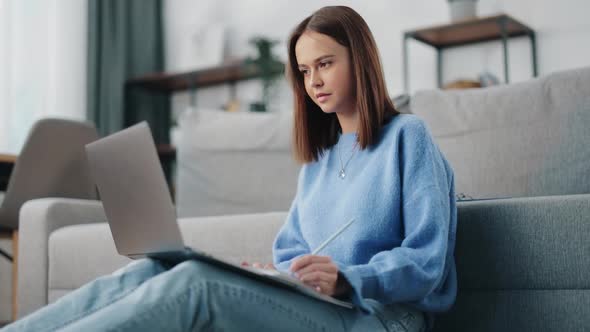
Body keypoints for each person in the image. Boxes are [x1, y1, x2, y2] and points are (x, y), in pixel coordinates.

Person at [3, 6, 456, 332]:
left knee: (195, 284)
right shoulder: (318, 160)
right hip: (317, 307)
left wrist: (349, 278)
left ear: (359, 61)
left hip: (377, 317)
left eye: (324, 64)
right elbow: (289, 252)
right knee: (148, 271)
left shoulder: (407, 138)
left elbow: (427, 261)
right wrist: (273, 274)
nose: (313, 80)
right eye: (303, 70)